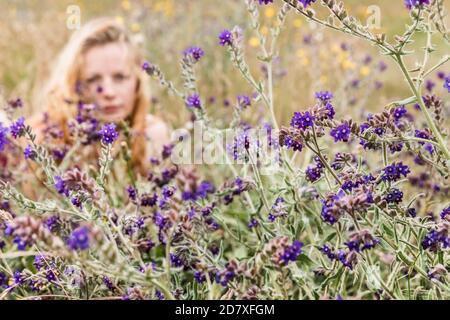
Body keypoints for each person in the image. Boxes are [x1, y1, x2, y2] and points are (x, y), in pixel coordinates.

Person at [30, 17, 170, 177]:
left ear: (137, 81)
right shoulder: (46, 137)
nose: (108, 92)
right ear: (73, 84)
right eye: (93, 79)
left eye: (120, 77)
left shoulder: (153, 136)